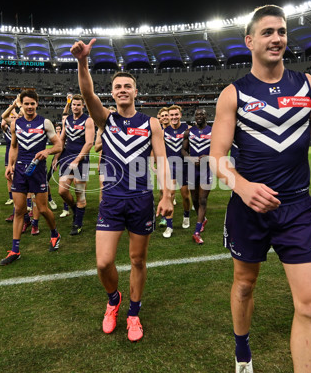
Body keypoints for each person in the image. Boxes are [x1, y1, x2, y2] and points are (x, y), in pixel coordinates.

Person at [209, 5, 311, 373]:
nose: (277, 38)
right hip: (248, 210)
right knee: (244, 285)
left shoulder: (309, 87)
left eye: (282, 32)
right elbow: (217, 156)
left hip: (297, 209)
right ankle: (242, 351)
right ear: (249, 41)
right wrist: (241, 186)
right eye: (268, 32)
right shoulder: (233, 94)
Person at [71, 38, 173, 342]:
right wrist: (82, 62)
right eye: (118, 87)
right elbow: (87, 92)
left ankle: (133, 314)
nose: (123, 90)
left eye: (128, 86)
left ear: (135, 92)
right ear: (113, 93)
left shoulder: (151, 123)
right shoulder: (106, 119)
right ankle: (113, 300)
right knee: (103, 262)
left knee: (138, 260)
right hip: (112, 200)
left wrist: (167, 194)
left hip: (141, 199)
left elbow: (163, 161)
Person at [0, 89, 63, 265]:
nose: (29, 107)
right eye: (26, 104)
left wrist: (47, 150)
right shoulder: (16, 124)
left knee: (42, 209)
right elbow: (13, 146)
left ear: (37, 104)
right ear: (22, 104)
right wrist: (10, 165)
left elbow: (58, 146)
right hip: (20, 171)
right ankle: (15, 250)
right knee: (19, 210)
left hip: (38, 171)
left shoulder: (45, 123)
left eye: (32, 104)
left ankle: (55, 234)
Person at [57, 94, 95, 235]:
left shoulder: (88, 121)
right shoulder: (67, 120)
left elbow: (89, 143)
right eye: (74, 104)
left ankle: (78, 223)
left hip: (81, 160)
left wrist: (77, 160)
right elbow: (62, 139)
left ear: (82, 106)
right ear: (71, 105)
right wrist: (56, 157)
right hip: (67, 158)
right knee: (62, 191)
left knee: (80, 193)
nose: (76, 107)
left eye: (78, 104)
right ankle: (75, 209)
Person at [182, 108, 211, 244]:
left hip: (206, 169)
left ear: (206, 116)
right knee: (195, 199)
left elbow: (221, 149)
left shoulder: (213, 131)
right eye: (197, 114)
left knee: (203, 199)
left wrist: (209, 157)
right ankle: (203, 219)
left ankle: (197, 231)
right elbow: (183, 149)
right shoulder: (188, 132)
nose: (199, 116)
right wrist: (190, 158)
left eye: (202, 114)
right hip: (192, 169)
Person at [162, 104, 192, 237]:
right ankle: (169, 226)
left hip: (184, 167)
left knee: (185, 196)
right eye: (171, 115)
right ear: (168, 117)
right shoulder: (164, 131)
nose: (173, 117)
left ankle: (186, 216)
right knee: (170, 195)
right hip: (170, 167)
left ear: (180, 115)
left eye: (176, 115)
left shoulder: (188, 129)